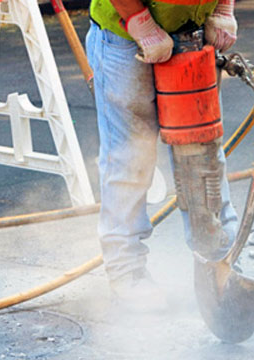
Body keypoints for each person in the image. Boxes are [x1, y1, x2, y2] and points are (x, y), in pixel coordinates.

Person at [83, 0, 238, 312]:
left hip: (190, 31)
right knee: (131, 158)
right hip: (123, 36)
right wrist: (139, 22)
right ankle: (126, 272)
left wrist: (223, 7)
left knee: (201, 151)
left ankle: (216, 259)